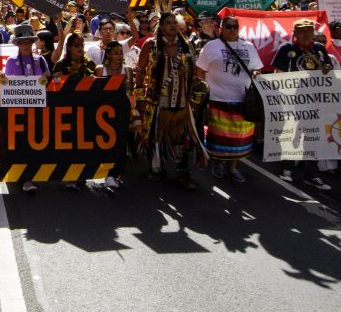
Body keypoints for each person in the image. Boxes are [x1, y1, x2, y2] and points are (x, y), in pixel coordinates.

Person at [135, 13, 205, 190]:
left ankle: (183, 172)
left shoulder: (185, 45)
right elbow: (141, 70)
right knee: (155, 137)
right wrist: (139, 96)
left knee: (183, 139)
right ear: (161, 26)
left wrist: (195, 95)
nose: (173, 26)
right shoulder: (151, 45)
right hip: (157, 100)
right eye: (169, 23)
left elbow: (194, 74)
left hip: (182, 100)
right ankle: (156, 168)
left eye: (175, 23)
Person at [195, 16, 262, 184]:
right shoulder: (211, 46)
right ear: (221, 28)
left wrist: (255, 74)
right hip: (218, 100)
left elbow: (257, 69)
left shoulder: (249, 47)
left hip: (244, 102)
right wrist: (207, 90)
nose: (232, 29)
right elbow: (199, 70)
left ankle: (233, 167)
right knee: (219, 137)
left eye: (235, 26)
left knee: (241, 139)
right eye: (228, 26)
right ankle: (217, 163)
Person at [269, 19, 335, 190]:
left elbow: (328, 70)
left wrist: (326, 69)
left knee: (312, 136)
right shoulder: (286, 49)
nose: (306, 34)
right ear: (295, 33)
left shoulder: (319, 49)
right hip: (293, 102)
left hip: (314, 102)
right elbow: (278, 73)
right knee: (292, 134)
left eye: (309, 30)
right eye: (302, 31)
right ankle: (286, 168)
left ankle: (311, 174)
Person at [4, 22, 51, 193]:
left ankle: (29, 176)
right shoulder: (11, 61)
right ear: (17, 44)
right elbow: (6, 86)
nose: (26, 45)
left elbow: (48, 82)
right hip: (17, 111)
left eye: (28, 42)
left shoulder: (41, 60)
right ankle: (20, 174)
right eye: (22, 42)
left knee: (34, 143)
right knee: (19, 144)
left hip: (37, 111)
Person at [96, 41, 133, 189]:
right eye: (116, 53)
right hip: (103, 114)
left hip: (122, 111)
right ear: (109, 54)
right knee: (105, 143)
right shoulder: (100, 70)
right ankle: (105, 172)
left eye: (121, 53)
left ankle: (115, 173)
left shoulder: (127, 70)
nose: (119, 55)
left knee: (121, 142)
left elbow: (131, 90)